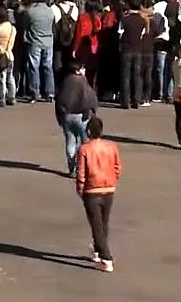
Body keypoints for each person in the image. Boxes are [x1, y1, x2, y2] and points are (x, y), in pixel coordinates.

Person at [75, 116, 120, 273]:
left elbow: (81, 172)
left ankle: (106, 258)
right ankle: (97, 250)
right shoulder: (111, 146)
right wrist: (113, 180)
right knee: (103, 223)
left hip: (92, 190)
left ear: (88, 131)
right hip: (108, 188)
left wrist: (80, 188)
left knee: (96, 225)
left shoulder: (84, 149)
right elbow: (117, 166)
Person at [55, 62, 99, 176]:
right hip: (81, 116)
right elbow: (90, 98)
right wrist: (92, 111)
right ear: (77, 70)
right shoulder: (82, 81)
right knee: (84, 144)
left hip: (67, 116)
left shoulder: (65, 81)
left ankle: (72, 168)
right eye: (82, 68)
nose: (84, 70)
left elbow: (58, 100)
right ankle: (82, 168)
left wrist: (60, 116)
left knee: (70, 141)